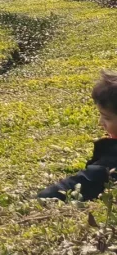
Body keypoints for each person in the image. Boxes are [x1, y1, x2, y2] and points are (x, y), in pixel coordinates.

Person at [39, 71, 117, 201]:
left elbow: (86, 181)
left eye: (106, 117)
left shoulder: (111, 161)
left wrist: (42, 197)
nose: (100, 122)